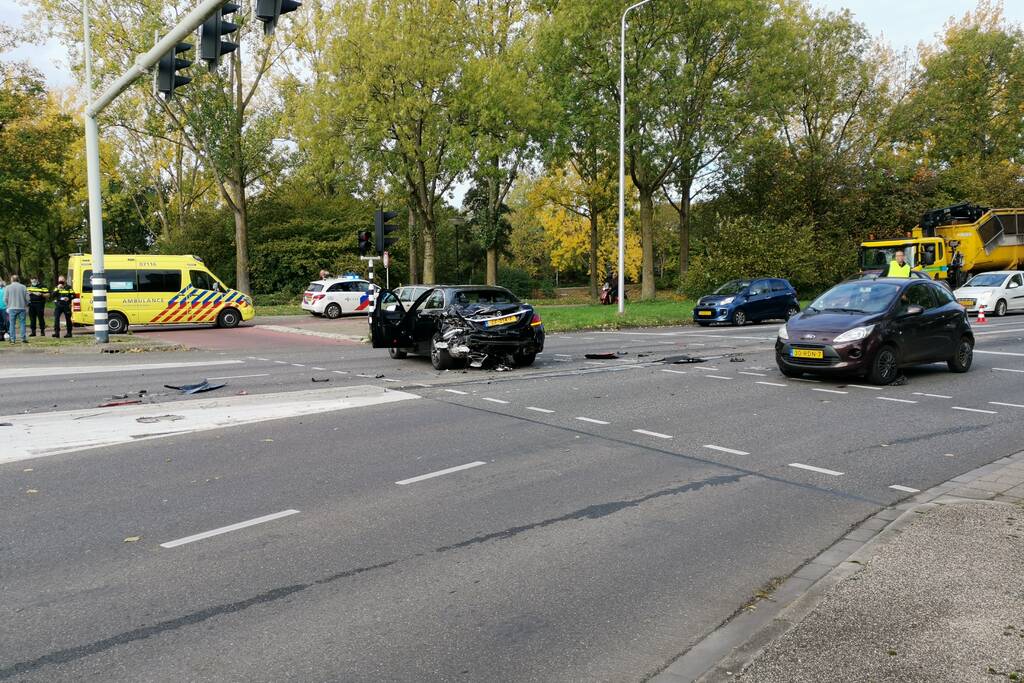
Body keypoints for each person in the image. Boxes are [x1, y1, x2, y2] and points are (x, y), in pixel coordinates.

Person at [5, 274, 29, 344]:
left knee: (12, 324)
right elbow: (27, 298)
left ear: (11, 279)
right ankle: (23, 338)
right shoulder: (23, 287)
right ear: (18, 279)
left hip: (12, 308)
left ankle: (12, 339)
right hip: (22, 308)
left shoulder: (8, 287)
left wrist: (8, 305)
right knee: (22, 323)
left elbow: (5, 298)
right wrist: (26, 305)